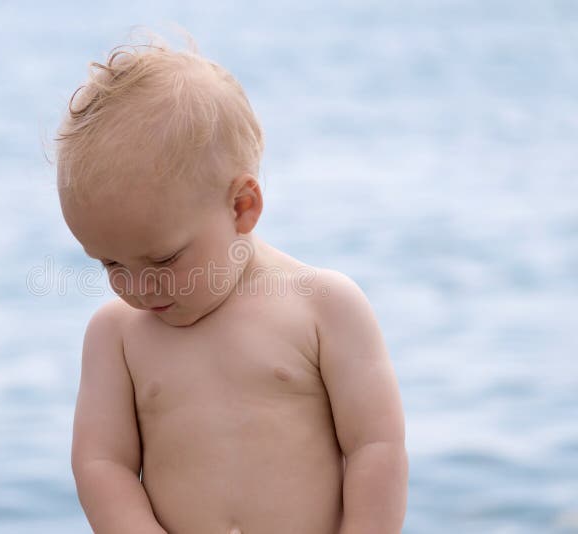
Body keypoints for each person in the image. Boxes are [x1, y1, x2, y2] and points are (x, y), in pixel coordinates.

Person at [54, 29, 408, 534]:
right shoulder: (116, 337)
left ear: (242, 206)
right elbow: (101, 464)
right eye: (110, 265)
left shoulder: (324, 307)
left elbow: (376, 446)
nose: (137, 289)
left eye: (163, 260)